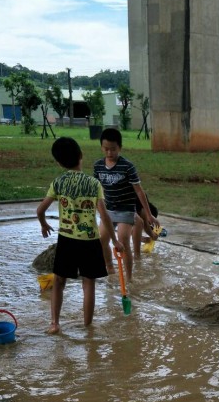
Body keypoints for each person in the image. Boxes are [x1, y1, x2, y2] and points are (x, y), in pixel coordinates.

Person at [36, 137, 123, 335]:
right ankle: (87, 326)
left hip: (66, 239)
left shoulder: (58, 182)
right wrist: (115, 240)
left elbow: (40, 210)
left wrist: (43, 224)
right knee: (88, 282)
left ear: (58, 162)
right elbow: (104, 214)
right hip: (89, 241)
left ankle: (54, 324)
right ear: (81, 155)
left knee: (58, 281)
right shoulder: (93, 184)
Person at [93, 128, 156, 282]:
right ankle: (110, 268)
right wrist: (96, 209)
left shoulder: (127, 166)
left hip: (126, 210)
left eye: (113, 149)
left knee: (122, 240)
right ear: (102, 147)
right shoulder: (98, 166)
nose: (109, 153)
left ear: (119, 147)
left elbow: (140, 192)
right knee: (102, 239)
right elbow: (96, 190)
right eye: (106, 149)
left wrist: (148, 214)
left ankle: (128, 279)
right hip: (108, 210)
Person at [132, 192, 161, 259]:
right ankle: (137, 258)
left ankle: (137, 257)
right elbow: (144, 223)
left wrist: (150, 235)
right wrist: (142, 237)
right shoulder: (141, 208)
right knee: (139, 222)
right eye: (150, 223)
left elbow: (144, 224)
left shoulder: (140, 204)